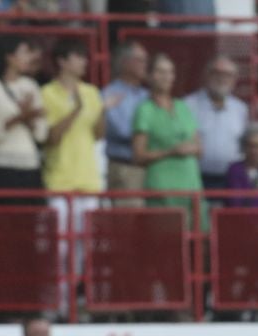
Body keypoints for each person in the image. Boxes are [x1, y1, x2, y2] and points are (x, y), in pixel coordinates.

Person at [40, 36, 105, 260]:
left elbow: (98, 136)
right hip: (59, 179)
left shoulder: (92, 92)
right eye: (79, 57)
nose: (84, 62)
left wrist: (104, 112)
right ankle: (58, 295)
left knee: (84, 248)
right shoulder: (46, 93)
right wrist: (76, 110)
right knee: (59, 247)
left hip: (88, 179)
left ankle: (75, 294)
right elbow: (51, 137)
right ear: (62, 61)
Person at [0, 37, 48, 196]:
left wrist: (29, 119)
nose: (29, 58)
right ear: (9, 57)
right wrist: (19, 117)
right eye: (25, 52)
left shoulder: (30, 86)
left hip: (29, 166)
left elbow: (41, 134)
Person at [132, 54, 200, 212]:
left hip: (191, 186)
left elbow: (199, 147)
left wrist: (193, 148)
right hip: (162, 187)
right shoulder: (144, 110)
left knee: (198, 234)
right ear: (149, 76)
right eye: (160, 72)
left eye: (170, 72)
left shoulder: (183, 107)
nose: (166, 77)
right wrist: (171, 151)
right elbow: (138, 155)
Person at [188, 57, 247, 191]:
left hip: (230, 181)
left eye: (228, 75)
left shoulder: (241, 109)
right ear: (207, 75)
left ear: (235, 79)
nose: (222, 78)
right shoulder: (188, 105)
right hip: (196, 178)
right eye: (217, 73)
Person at [102, 41, 150, 193]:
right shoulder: (109, 94)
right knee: (129, 215)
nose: (145, 65)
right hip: (125, 168)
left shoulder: (147, 95)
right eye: (140, 60)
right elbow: (122, 131)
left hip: (152, 168)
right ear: (125, 62)